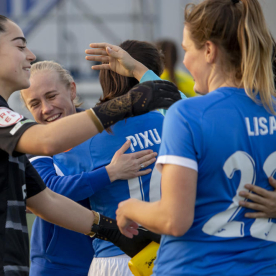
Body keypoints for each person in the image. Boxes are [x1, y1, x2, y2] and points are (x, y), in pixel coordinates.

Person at [0, 14, 181, 276]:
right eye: (19, 46)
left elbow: (46, 201)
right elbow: (47, 140)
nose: (29, 55)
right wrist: (124, 104)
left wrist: (111, 231)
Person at [107, 0, 276, 275]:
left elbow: (174, 220)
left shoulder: (188, 115)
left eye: (186, 49)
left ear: (209, 50)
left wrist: (129, 208)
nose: (183, 60)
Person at [20, 61, 158, 276]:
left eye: (51, 96)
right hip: (58, 264)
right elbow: (47, 191)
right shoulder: (34, 142)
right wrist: (110, 173)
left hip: (111, 257)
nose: (46, 109)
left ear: (72, 90)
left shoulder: (105, 130)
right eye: (35, 103)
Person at [47, 40, 171, 276]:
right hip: (172, 254)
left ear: (104, 78)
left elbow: (49, 193)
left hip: (115, 259)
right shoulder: (173, 123)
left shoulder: (85, 139)